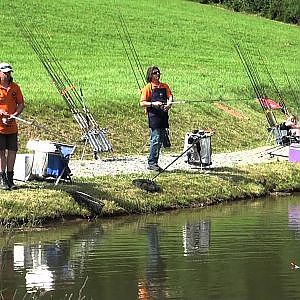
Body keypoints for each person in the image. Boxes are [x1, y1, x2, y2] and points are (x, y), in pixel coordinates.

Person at [140, 66, 173, 171]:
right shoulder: (148, 87)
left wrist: (168, 104)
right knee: (155, 139)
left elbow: (170, 96)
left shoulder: (164, 86)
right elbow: (142, 103)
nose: (157, 74)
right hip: (154, 117)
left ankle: (155, 161)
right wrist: (153, 104)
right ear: (150, 75)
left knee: (160, 139)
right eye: (155, 73)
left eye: (158, 72)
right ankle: (152, 162)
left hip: (163, 115)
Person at [0, 62, 25, 190]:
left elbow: (21, 104)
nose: (7, 75)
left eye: (9, 73)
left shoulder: (15, 87)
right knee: (1, 153)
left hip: (12, 127)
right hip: (0, 128)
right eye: (5, 73)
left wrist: (15, 114)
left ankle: (10, 178)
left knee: (12, 152)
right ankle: (2, 177)